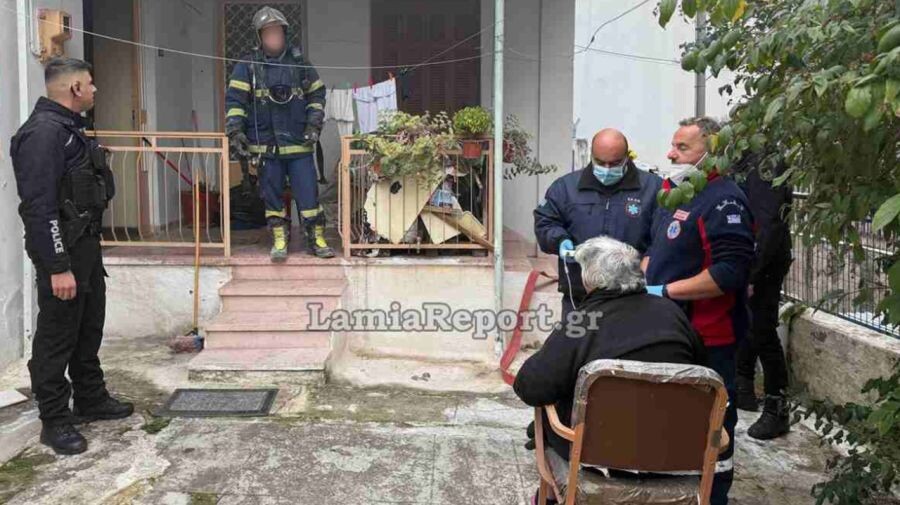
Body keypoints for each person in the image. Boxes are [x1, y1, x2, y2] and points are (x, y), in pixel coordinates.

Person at [514, 237, 707, 502]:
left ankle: (549, 498)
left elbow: (531, 387)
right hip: (671, 457)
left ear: (591, 279)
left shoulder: (582, 322)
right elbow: (701, 376)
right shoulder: (674, 315)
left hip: (594, 459)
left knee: (546, 415)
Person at [10, 58, 134, 455]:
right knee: (57, 335)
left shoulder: (68, 130)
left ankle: (91, 397)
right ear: (74, 89)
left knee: (87, 326)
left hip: (85, 247)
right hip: (62, 252)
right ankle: (55, 420)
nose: (96, 90)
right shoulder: (43, 135)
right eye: (90, 84)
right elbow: (39, 207)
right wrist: (58, 266)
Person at [643, 116, 756, 505]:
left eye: (682, 148)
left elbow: (730, 272)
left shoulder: (724, 200)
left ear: (712, 154)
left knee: (713, 429)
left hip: (709, 339)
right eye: (673, 145)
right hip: (667, 331)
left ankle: (713, 497)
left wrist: (666, 291)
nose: (671, 154)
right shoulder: (675, 192)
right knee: (667, 423)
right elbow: (657, 249)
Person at [225, 6, 334, 261]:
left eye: (277, 32)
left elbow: (317, 94)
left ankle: (316, 240)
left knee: (308, 195)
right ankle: (280, 239)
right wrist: (235, 132)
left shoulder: (300, 64)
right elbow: (235, 102)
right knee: (271, 195)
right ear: (260, 37)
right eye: (268, 33)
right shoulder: (247, 67)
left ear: (284, 33)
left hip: (299, 145)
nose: (273, 37)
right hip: (265, 147)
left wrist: (313, 124)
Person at [534, 129, 662, 322]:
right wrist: (559, 239)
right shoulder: (566, 187)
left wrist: (649, 263)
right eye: (601, 163)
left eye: (615, 163)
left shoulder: (653, 189)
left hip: (633, 297)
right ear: (592, 156)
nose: (607, 169)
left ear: (627, 157)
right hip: (580, 295)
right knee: (576, 348)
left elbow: (663, 237)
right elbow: (546, 221)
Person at [733, 151, 793, 439]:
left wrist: (753, 274)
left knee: (762, 329)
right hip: (754, 259)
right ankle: (743, 386)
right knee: (747, 324)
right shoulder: (744, 162)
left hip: (765, 262)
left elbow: (768, 224)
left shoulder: (766, 164)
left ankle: (777, 408)